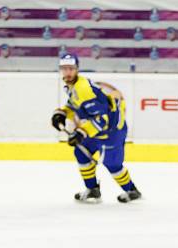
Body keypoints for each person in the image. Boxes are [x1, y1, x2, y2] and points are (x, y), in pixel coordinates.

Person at [50, 53, 140, 203]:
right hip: (96, 129)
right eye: (64, 68)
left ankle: (132, 190)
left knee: (112, 164)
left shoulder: (84, 89)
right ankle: (93, 190)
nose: (67, 72)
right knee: (81, 152)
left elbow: (102, 119)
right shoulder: (74, 86)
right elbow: (76, 105)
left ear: (77, 69)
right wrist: (62, 113)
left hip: (112, 131)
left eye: (71, 68)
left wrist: (80, 132)